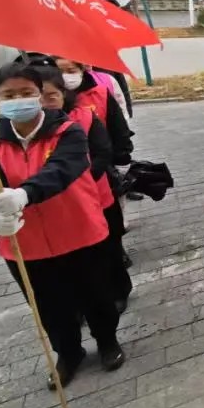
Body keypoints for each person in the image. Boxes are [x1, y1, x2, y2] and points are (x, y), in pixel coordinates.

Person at [0, 63, 124, 389]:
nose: (18, 100)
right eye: (8, 95)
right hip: (25, 242)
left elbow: (62, 170)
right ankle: (68, 353)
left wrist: (23, 194)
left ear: (40, 95)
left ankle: (107, 341)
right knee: (48, 305)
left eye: (26, 92)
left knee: (96, 295)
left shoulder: (68, 132)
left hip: (79, 231)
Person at [38, 66, 133, 312]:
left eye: (51, 95)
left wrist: (82, 181)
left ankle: (118, 290)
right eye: (37, 96)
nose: (44, 102)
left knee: (107, 247)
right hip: (54, 204)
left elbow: (104, 151)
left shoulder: (85, 116)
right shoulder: (27, 130)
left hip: (96, 193)